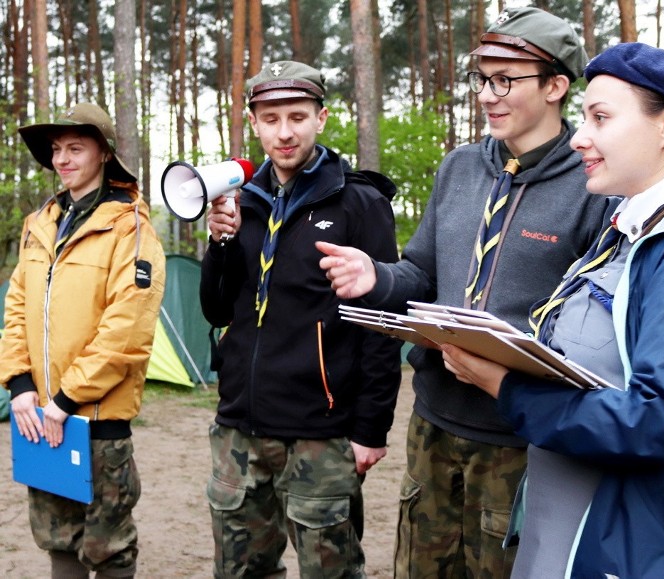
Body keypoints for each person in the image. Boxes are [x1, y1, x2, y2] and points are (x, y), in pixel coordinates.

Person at [438, 42, 664, 577]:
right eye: (584, 118)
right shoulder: (628, 229)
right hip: (577, 529)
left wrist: (506, 389)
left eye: (601, 117)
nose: (579, 137)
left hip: (641, 549)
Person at [318, 7, 612, 577]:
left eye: (506, 79)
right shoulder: (459, 168)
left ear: (556, 86)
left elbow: (589, 328)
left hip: (520, 438)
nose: (487, 94)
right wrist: (376, 277)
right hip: (432, 424)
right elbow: (421, 274)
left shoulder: (592, 184)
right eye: (482, 77)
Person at [199, 60, 401, 579]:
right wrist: (220, 244)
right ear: (253, 121)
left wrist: (371, 430)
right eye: (270, 118)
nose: (284, 132)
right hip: (238, 432)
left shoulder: (360, 201)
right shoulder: (240, 199)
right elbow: (218, 311)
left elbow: (381, 323)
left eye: (297, 116)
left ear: (322, 118)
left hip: (322, 434)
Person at [0, 102, 166, 578]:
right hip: (40, 416)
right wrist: (21, 386)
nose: (63, 159)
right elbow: (15, 309)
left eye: (76, 148)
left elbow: (128, 329)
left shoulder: (129, 227)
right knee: (58, 537)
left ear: (104, 155)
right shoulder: (40, 224)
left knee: (107, 546)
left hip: (96, 419)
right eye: (56, 149)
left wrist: (67, 399)